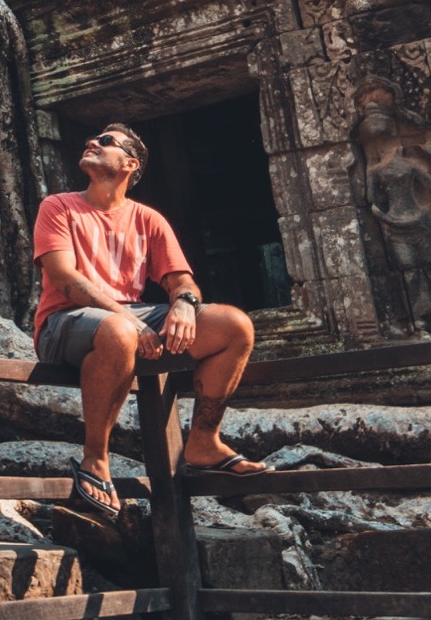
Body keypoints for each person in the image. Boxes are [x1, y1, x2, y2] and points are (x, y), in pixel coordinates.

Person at [33, 123, 264, 522]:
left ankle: (203, 442)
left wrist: (185, 305)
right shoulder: (58, 206)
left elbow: (181, 279)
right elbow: (66, 280)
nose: (92, 142)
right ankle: (96, 460)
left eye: (106, 142)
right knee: (120, 330)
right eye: (93, 138)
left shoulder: (147, 219)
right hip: (64, 323)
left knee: (234, 325)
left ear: (129, 164)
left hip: (131, 320)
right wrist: (128, 320)